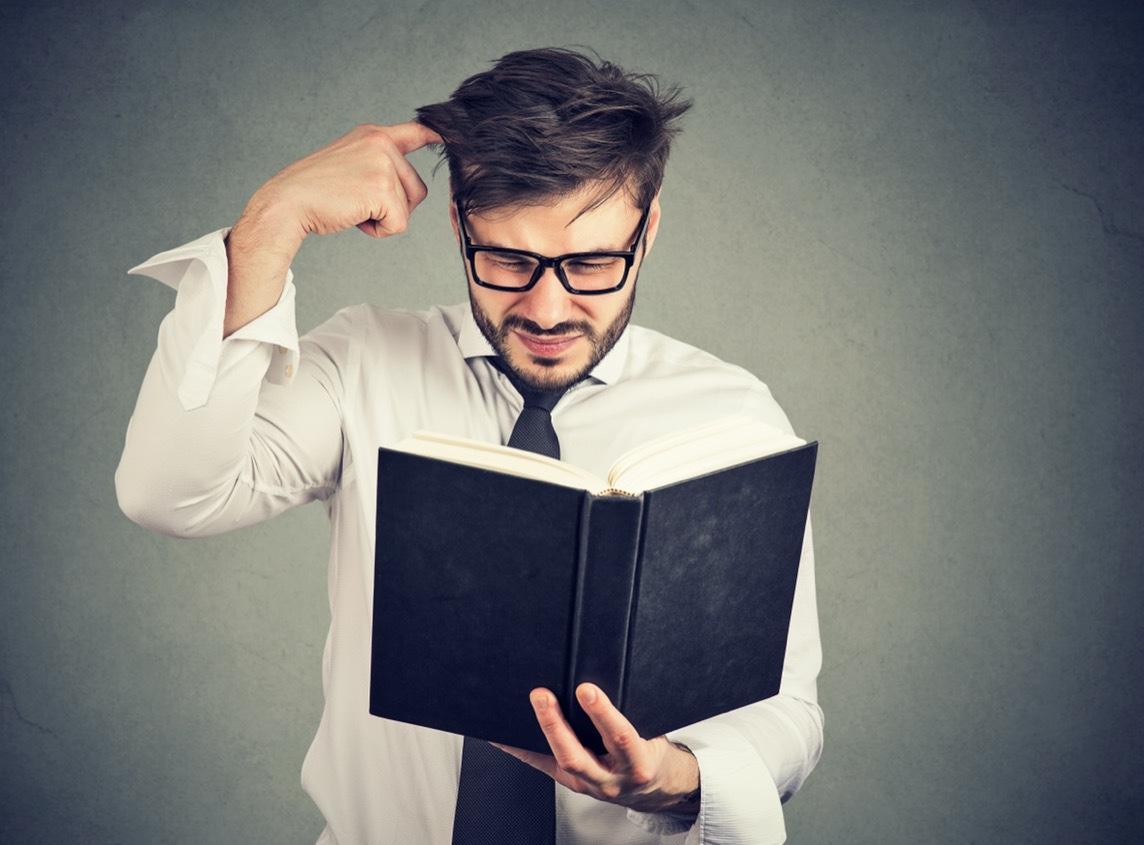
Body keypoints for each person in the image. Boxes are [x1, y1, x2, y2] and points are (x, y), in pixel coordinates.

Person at [116, 47, 823, 845]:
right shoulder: (364, 362)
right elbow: (168, 492)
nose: (548, 307)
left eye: (591, 263)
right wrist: (268, 225)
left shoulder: (732, 417)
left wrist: (674, 778)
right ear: (457, 223)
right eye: (509, 259)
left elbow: (788, 712)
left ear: (647, 230)